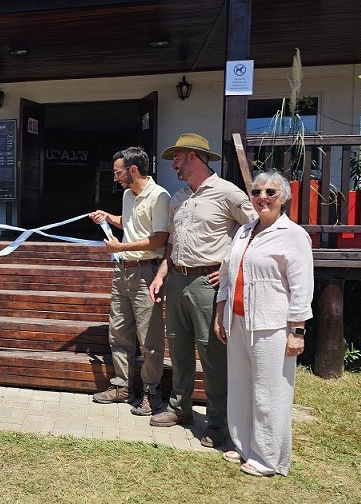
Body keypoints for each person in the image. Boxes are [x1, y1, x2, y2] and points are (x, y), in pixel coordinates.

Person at [147, 133, 257, 448]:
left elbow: (255, 231)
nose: (173, 164)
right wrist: (162, 274)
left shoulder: (228, 193)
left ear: (193, 157)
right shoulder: (179, 197)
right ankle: (180, 408)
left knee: (212, 354)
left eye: (177, 157)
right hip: (177, 280)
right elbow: (171, 243)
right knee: (178, 348)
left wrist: (229, 270)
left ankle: (219, 421)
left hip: (208, 283)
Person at [214, 171, 313, 477]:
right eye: (256, 192)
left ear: (283, 197)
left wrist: (297, 331)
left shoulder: (294, 235)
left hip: (272, 325)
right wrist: (221, 313)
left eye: (271, 192)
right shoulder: (244, 231)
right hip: (239, 320)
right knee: (242, 385)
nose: (262, 198)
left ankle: (269, 458)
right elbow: (228, 273)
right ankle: (245, 445)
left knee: (270, 391)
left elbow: (301, 286)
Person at [88, 147, 170, 416]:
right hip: (122, 272)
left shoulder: (159, 197)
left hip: (146, 272)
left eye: (117, 172)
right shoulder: (127, 195)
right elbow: (128, 222)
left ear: (133, 170)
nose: (115, 177)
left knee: (149, 337)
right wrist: (107, 217)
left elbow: (159, 239)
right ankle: (122, 387)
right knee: (119, 332)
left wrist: (120, 249)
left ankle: (151, 393)